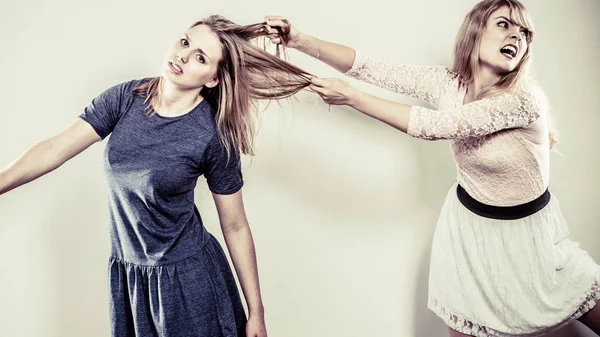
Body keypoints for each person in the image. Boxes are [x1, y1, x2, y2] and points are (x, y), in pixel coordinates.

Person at [263, 0, 600, 336]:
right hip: (471, 230)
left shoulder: (525, 99)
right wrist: (299, 40)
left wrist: (353, 98)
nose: (516, 35)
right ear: (476, 30)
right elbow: (369, 68)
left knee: (587, 301)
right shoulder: (447, 84)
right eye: (504, 24)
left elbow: (435, 125)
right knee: (464, 328)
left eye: (525, 32)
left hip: (529, 237)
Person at [0, 14, 312, 337]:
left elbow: (234, 225)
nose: (183, 55)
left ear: (213, 80)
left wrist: (256, 312)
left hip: (189, 284)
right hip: (132, 282)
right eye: (185, 42)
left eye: (200, 58)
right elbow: (53, 149)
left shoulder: (211, 135)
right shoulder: (124, 99)